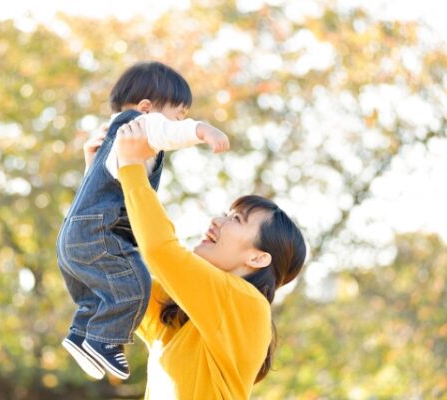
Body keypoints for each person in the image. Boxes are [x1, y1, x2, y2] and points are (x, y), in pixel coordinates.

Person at [56, 61, 230, 380]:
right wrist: (204, 129)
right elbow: (170, 132)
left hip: (74, 236)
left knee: (97, 294)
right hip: (100, 235)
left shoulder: (112, 137)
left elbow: (98, 188)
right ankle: (104, 342)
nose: (180, 121)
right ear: (147, 107)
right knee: (135, 282)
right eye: (179, 113)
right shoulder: (140, 124)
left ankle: (82, 336)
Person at [113, 119, 307, 398]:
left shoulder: (248, 305)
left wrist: (131, 166)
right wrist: (101, 181)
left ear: (257, 258)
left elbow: (160, 250)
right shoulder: (180, 315)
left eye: (237, 220)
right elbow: (112, 275)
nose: (217, 221)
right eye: (226, 215)